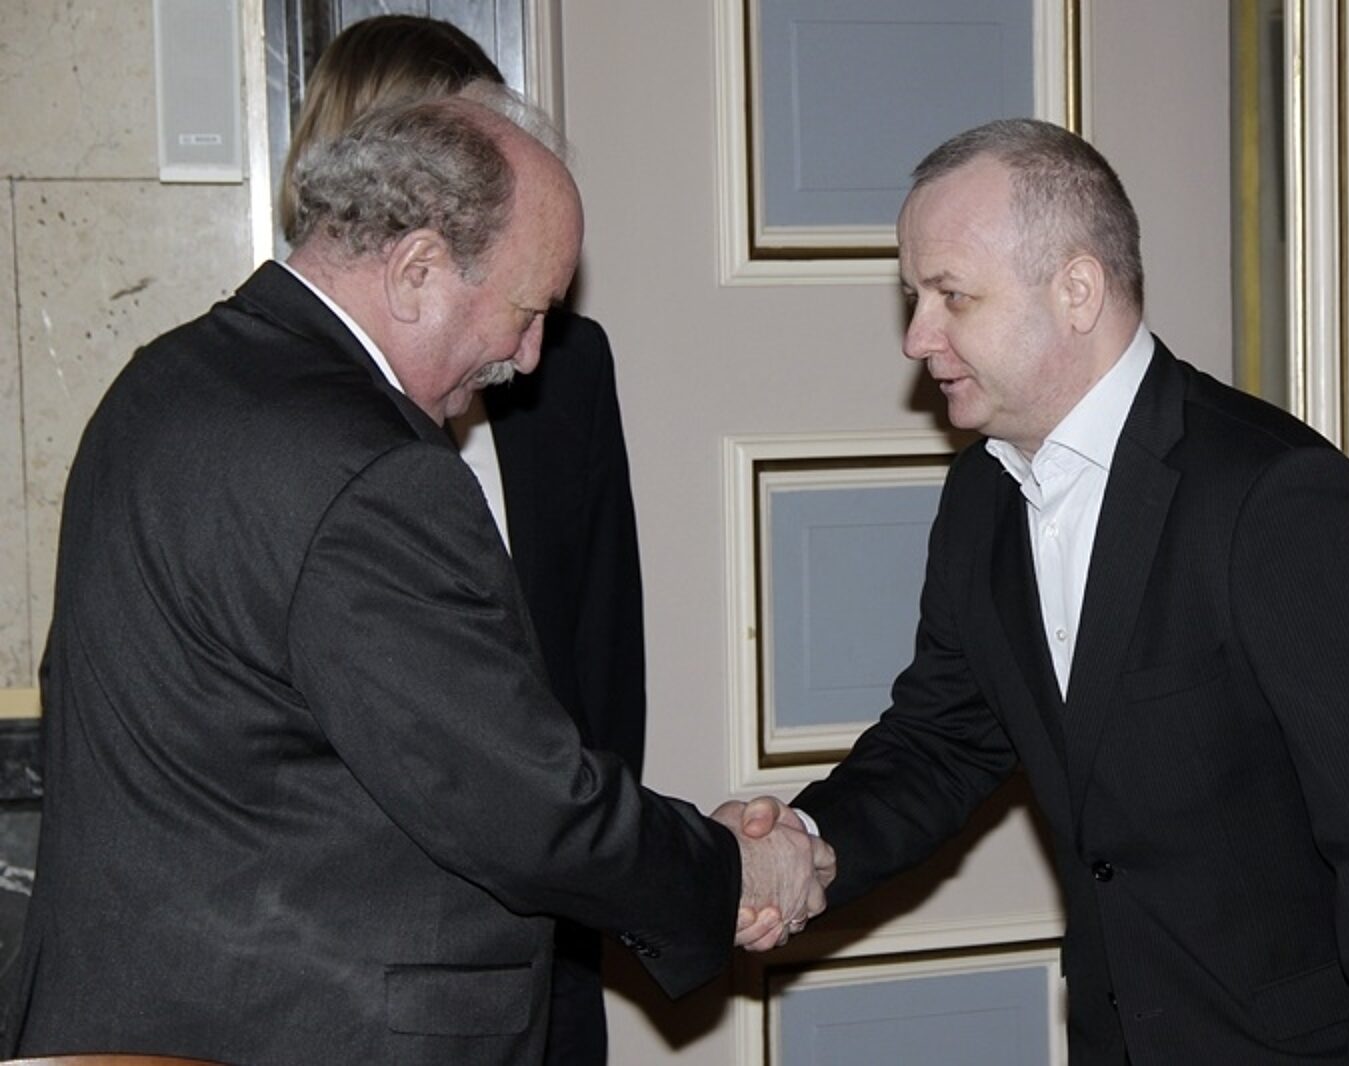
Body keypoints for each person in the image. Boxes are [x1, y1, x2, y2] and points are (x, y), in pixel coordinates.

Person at [3, 87, 828, 1064]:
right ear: (417, 270)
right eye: (527, 312)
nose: (528, 357)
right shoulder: (371, 471)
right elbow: (516, 803)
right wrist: (727, 869)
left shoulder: (165, 380)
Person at [735, 119, 1349, 1063]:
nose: (917, 337)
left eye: (951, 295)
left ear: (1077, 290)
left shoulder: (1278, 499)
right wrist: (803, 841)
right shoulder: (983, 494)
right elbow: (944, 740)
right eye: (914, 297)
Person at [280, 18, 648, 1064]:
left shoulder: (562, 365)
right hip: (348, 983)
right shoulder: (258, 399)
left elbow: (600, 666)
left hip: (548, 949)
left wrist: (617, 883)